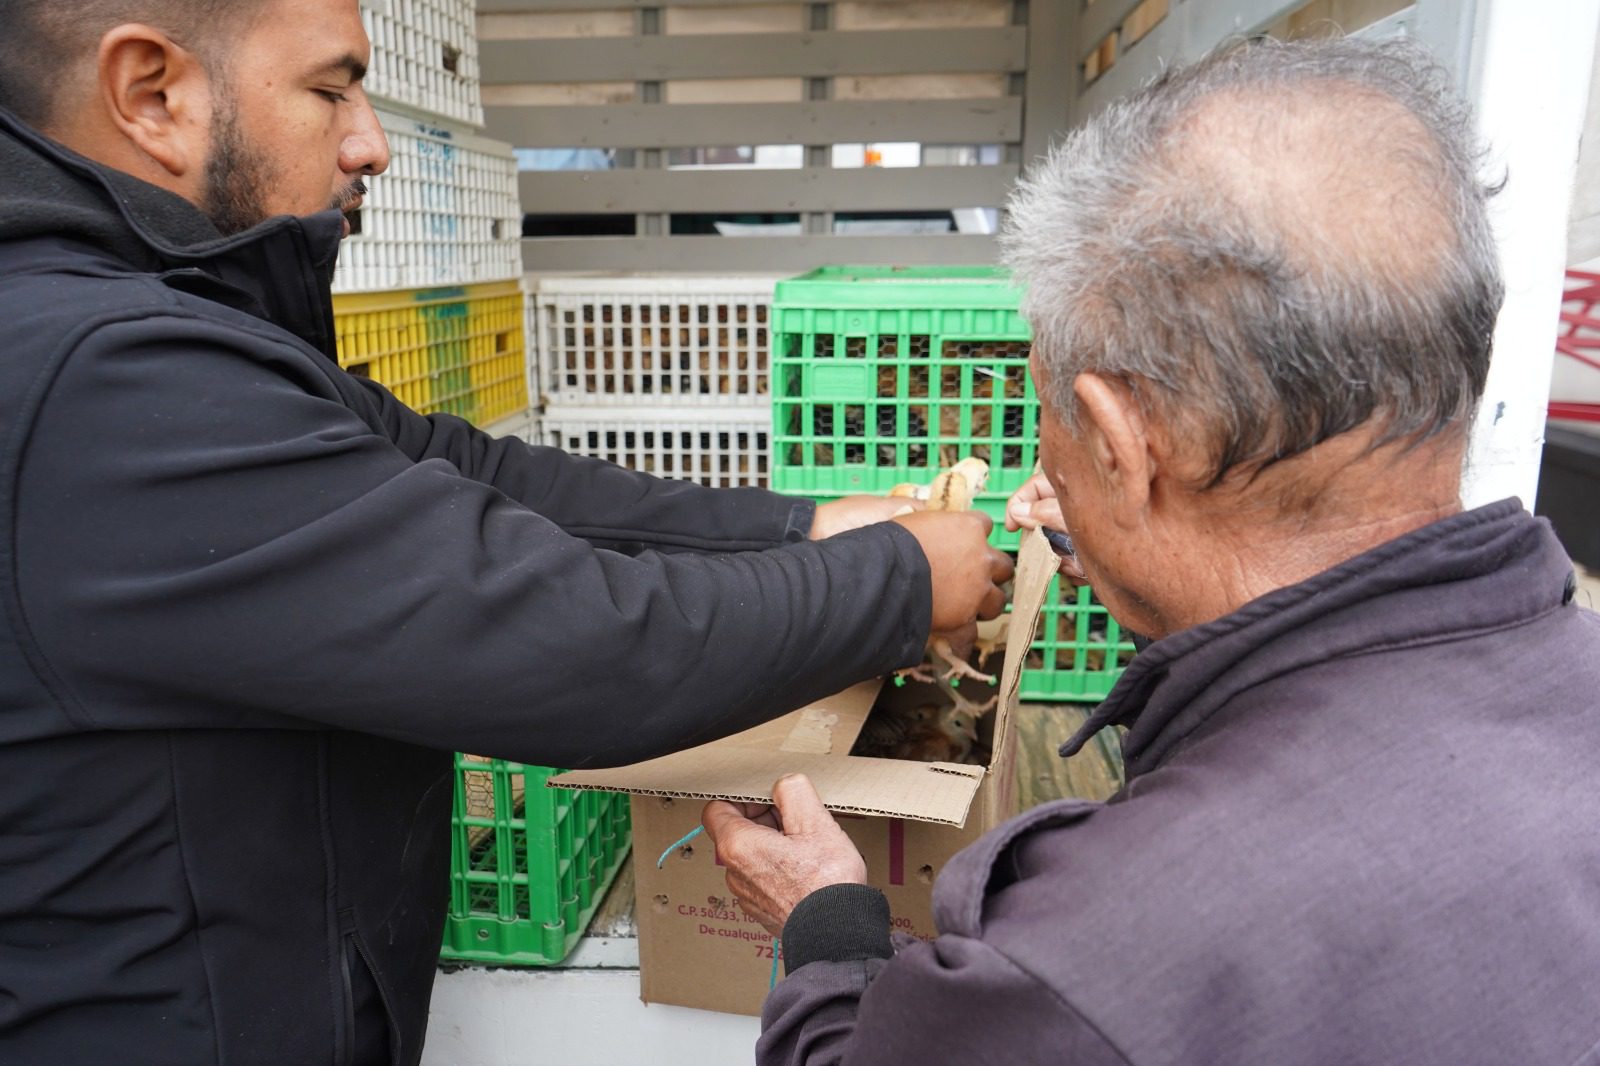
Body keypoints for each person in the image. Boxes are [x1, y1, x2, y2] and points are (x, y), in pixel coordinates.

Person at [0, 1, 1012, 1063]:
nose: (370, 143)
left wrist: (808, 524)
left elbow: (465, 468)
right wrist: (898, 581)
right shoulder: (106, 386)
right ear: (152, 94)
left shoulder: (154, 333)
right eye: (330, 89)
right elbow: (581, 645)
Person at [703, 36, 1600, 1066]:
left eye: (1048, 417)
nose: (1040, 481)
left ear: (1125, 446)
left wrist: (827, 928)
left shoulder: (1091, 962)